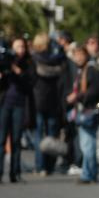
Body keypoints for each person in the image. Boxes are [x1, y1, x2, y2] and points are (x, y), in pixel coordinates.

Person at [65, 46, 99, 183]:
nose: (78, 58)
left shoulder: (91, 70)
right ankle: (90, 173)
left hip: (90, 111)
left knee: (87, 145)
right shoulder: (81, 71)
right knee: (87, 145)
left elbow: (94, 91)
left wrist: (77, 96)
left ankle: (88, 174)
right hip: (85, 111)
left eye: (81, 54)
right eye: (76, 55)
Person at [30, 33, 66, 175]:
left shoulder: (34, 60)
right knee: (51, 135)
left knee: (40, 134)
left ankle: (40, 166)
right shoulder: (57, 61)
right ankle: (49, 166)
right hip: (53, 101)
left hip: (39, 100)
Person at [0, 37, 35, 182]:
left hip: (20, 105)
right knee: (1, 140)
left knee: (16, 140)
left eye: (22, 47)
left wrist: (18, 71)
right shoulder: (4, 62)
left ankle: (15, 173)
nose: (19, 50)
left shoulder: (28, 64)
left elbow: (30, 83)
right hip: (4, 104)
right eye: (17, 47)